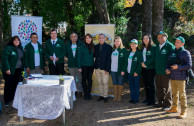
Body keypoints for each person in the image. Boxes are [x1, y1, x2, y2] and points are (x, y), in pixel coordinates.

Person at [166, 36, 192, 119]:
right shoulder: (172, 52)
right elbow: (168, 62)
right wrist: (167, 69)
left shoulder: (186, 53)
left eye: (178, 42)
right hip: (172, 76)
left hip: (181, 78)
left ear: (182, 44)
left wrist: (178, 67)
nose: (176, 43)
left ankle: (184, 111)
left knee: (182, 95)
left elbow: (189, 65)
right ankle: (174, 108)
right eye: (176, 42)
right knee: (174, 94)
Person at [155, 31, 175, 111]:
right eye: (158, 37)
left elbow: (173, 58)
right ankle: (160, 102)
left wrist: (170, 69)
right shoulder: (157, 45)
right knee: (159, 87)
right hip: (158, 71)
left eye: (162, 37)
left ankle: (168, 104)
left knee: (167, 88)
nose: (160, 39)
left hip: (166, 71)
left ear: (166, 37)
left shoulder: (170, 46)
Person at [1, 36, 24, 106]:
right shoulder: (8, 48)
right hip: (10, 70)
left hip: (19, 69)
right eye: (15, 40)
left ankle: (13, 98)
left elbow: (22, 58)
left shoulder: (20, 48)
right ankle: (6, 100)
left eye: (18, 40)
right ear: (12, 41)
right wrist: (8, 69)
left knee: (16, 85)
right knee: (9, 85)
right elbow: (5, 59)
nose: (17, 41)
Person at [94, 33, 112, 103]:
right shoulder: (96, 47)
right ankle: (101, 95)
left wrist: (107, 69)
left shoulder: (108, 47)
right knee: (100, 82)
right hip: (97, 68)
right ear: (98, 39)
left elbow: (109, 59)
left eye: (102, 38)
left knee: (105, 83)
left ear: (105, 39)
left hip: (105, 69)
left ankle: (105, 96)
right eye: (100, 38)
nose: (101, 39)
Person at [65, 32, 84, 97]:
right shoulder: (68, 45)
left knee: (79, 79)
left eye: (75, 36)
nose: (74, 38)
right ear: (70, 38)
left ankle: (80, 91)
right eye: (72, 37)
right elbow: (66, 53)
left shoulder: (80, 44)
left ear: (77, 37)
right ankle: (75, 90)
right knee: (73, 79)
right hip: (71, 65)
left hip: (78, 65)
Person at [77, 34, 95, 100]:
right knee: (84, 80)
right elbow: (78, 57)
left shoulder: (93, 46)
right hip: (83, 66)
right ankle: (85, 94)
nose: (88, 39)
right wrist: (79, 67)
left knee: (90, 80)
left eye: (89, 38)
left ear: (91, 39)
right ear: (85, 39)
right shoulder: (81, 46)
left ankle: (88, 93)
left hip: (91, 66)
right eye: (87, 38)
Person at [111, 36, 127, 102]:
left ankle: (119, 97)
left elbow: (125, 61)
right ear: (114, 42)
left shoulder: (123, 50)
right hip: (113, 69)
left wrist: (123, 70)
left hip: (120, 70)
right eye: (115, 41)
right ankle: (115, 96)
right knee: (115, 83)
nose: (117, 42)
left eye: (118, 41)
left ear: (120, 42)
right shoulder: (112, 50)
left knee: (120, 82)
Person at [141, 34, 156, 106]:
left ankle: (152, 100)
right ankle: (147, 98)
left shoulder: (153, 47)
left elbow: (153, 58)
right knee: (146, 84)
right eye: (144, 38)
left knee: (151, 84)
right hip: (144, 68)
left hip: (151, 68)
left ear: (150, 39)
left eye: (147, 38)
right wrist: (142, 63)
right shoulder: (143, 48)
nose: (145, 40)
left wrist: (146, 63)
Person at [127, 39, 143, 104]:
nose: (132, 45)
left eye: (134, 44)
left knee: (136, 86)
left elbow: (140, 64)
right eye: (131, 44)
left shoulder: (139, 53)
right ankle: (132, 98)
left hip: (136, 73)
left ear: (137, 45)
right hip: (129, 72)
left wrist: (137, 72)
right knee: (131, 86)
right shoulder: (129, 53)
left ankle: (136, 99)